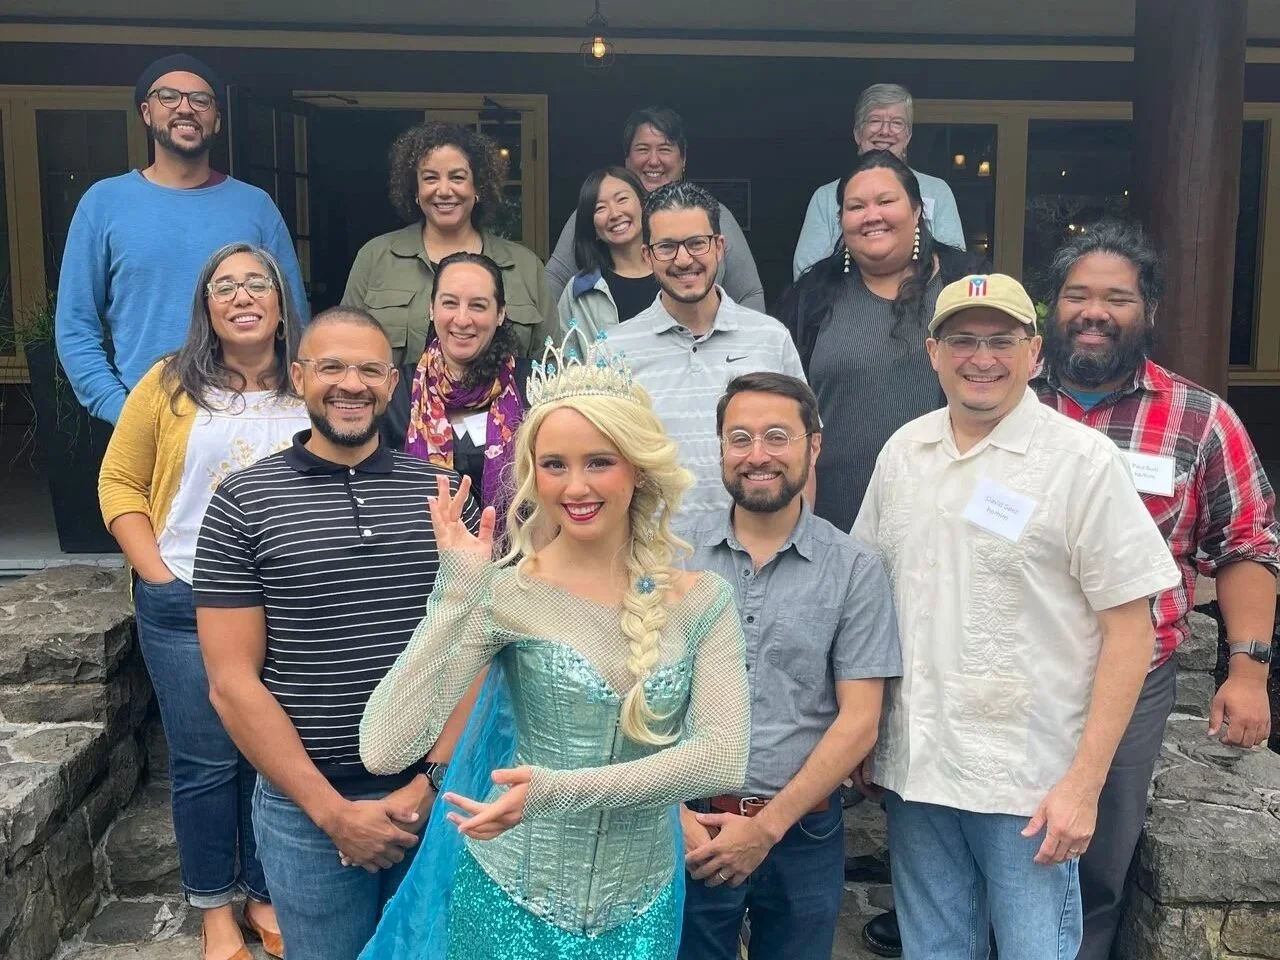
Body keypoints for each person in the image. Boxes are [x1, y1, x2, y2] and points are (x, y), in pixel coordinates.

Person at [354, 331, 751, 959]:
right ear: (532, 473)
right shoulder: (505, 595)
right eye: (555, 464)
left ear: (638, 467)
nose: (575, 487)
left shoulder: (703, 601)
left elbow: (721, 760)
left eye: (599, 461)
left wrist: (556, 789)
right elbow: (383, 748)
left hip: (641, 908)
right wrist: (456, 593)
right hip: (509, 897)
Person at [852, 273, 1180, 960]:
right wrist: (866, 736)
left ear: (1034, 353)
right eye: (963, 340)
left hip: (1028, 783)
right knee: (934, 949)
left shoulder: (1080, 462)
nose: (982, 357)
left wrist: (1084, 785)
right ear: (932, 351)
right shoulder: (903, 453)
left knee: (1037, 950)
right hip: (919, 771)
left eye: (1001, 340)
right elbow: (869, 602)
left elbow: (1130, 628)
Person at [193, 307, 480, 960]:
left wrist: (427, 787)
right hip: (307, 815)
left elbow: (478, 648)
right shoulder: (244, 502)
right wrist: (332, 813)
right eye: (331, 367)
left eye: (369, 369)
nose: (351, 384)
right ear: (299, 377)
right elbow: (231, 683)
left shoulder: (445, 495)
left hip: (437, 802)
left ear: (392, 381)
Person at [1033, 219, 1280, 960]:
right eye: (1077, 295)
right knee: (996, 844)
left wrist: (1247, 669)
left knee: (1099, 858)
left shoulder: (1200, 419)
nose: (1094, 311)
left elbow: (1247, 543)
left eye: (1117, 297)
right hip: (1010, 667)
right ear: (1051, 306)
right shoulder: (1005, 402)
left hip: (1131, 680)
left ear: (1149, 312)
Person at [99, 243, 308, 960]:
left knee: (270, 753)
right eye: (226, 286)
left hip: (285, 605)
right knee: (206, 761)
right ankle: (214, 907)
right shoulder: (167, 384)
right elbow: (120, 483)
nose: (243, 295)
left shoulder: (310, 385)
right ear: (207, 307)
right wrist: (157, 573)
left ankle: (263, 890)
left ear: (282, 306)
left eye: (258, 283)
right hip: (186, 597)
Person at [677, 372, 901, 960]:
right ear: (721, 448)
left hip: (803, 831)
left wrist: (767, 828)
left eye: (777, 436)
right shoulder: (673, 557)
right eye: (740, 438)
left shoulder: (854, 568)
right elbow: (638, 696)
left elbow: (859, 721)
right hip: (684, 828)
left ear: (814, 446)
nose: (758, 456)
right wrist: (670, 814)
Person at [55, 53, 308, 425]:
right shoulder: (104, 203)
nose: (185, 108)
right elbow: (75, 326)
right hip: (150, 416)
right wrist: (120, 409)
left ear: (217, 120)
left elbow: (294, 316)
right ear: (146, 112)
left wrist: (285, 404)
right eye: (169, 97)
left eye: (200, 100)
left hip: (251, 413)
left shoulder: (256, 207)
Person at [778, 149, 987, 534]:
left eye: (886, 201)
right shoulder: (809, 299)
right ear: (841, 221)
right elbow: (786, 409)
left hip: (948, 518)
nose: (871, 215)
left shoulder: (966, 285)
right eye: (855, 206)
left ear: (917, 211)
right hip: (835, 519)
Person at [605, 182, 805, 519]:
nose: (684, 260)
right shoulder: (613, 351)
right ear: (647, 256)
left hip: (756, 557)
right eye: (667, 246)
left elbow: (803, 448)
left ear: (720, 247)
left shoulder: (770, 339)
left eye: (697, 243)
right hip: (655, 559)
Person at [341, 121, 556, 367]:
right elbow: (346, 349)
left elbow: (551, 365)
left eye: (457, 177)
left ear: (478, 188)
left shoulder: (525, 267)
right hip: (397, 405)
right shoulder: (375, 258)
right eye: (430, 178)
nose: (444, 190)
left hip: (509, 405)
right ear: (415, 190)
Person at [546, 107, 766, 313]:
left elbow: (748, 294)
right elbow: (555, 279)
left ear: (683, 159)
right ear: (627, 159)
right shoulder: (601, 215)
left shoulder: (713, 214)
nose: (653, 161)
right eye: (642, 149)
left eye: (664, 149)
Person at [385, 252, 532, 533]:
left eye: (478, 306)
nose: (462, 319)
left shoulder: (533, 386)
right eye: (450, 303)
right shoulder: (396, 391)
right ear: (431, 309)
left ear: (500, 314)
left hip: (517, 563)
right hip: (422, 560)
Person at [792, 83, 965, 279]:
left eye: (897, 123)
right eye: (875, 120)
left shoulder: (937, 191)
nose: (885, 131)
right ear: (858, 133)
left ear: (908, 136)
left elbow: (954, 266)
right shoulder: (826, 197)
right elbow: (806, 272)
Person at [556, 166, 659, 337]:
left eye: (622, 199)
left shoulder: (675, 273)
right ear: (592, 226)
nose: (614, 214)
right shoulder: (581, 291)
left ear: (644, 205)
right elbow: (567, 360)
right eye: (600, 208)